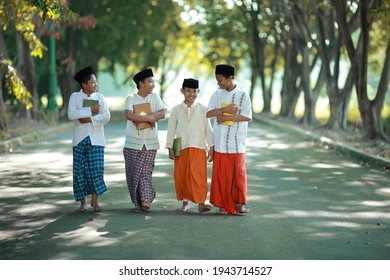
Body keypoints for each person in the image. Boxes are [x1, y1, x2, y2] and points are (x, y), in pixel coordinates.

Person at [206, 64, 252, 215]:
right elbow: (209, 113)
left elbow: (247, 116)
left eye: (220, 80)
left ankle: (240, 203)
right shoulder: (217, 94)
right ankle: (221, 205)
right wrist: (224, 110)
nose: (218, 83)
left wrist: (227, 117)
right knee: (221, 176)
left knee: (239, 174)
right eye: (217, 80)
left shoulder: (243, 95)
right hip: (220, 143)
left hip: (237, 143)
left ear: (230, 77)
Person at [166, 78, 214, 213]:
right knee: (182, 175)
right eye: (188, 91)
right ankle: (185, 202)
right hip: (181, 148)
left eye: (194, 91)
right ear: (182, 91)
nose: (191, 94)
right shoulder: (176, 110)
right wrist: (169, 146)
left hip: (198, 147)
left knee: (199, 176)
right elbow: (171, 129)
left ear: (198, 92)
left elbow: (208, 129)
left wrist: (211, 147)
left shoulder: (203, 109)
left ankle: (201, 203)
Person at [68, 66, 111, 212]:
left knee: (96, 170)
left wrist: (89, 119)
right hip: (80, 139)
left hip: (97, 139)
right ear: (84, 85)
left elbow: (106, 116)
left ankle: (94, 200)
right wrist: (89, 111)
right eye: (92, 82)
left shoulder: (100, 97)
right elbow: (71, 114)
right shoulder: (75, 96)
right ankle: (83, 202)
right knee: (80, 171)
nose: (95, 85)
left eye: (96, 82)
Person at [123, 68, 166, 213]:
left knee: (146, 172)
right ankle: (138, 202)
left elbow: (162, 113)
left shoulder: (155, 97)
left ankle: (146, 199)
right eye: (150, 81)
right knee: (133, 173)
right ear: (141, 83)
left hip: (150, 142)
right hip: (132, 143)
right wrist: (148, 118)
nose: (153, 84)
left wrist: (154, 117)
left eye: (153, 81)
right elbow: (129, 114)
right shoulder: (131, 98)